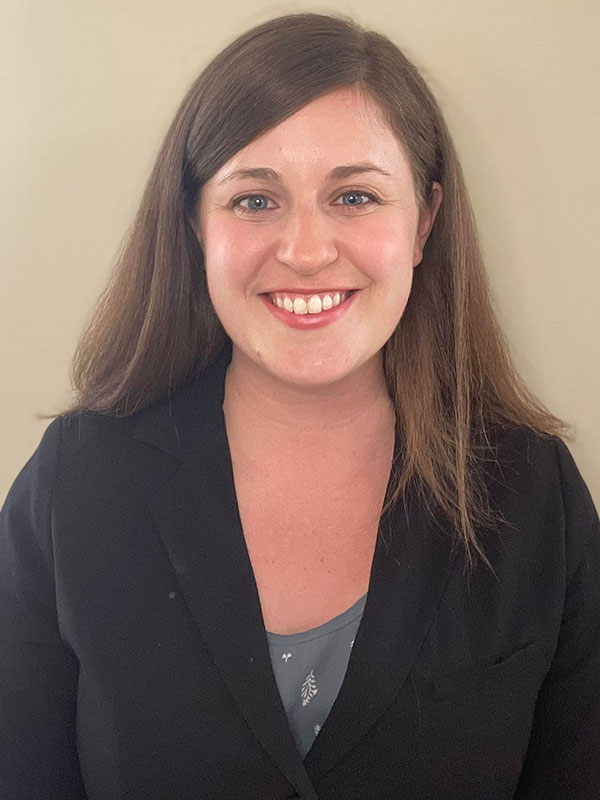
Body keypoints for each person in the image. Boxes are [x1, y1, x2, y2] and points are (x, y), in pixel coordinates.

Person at [1, 12, 599, 800]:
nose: (307, 249)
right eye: (255, 201)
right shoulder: (75, 482)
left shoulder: (533, 492)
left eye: (354, 195)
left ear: (424, 221)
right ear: (194, 225)